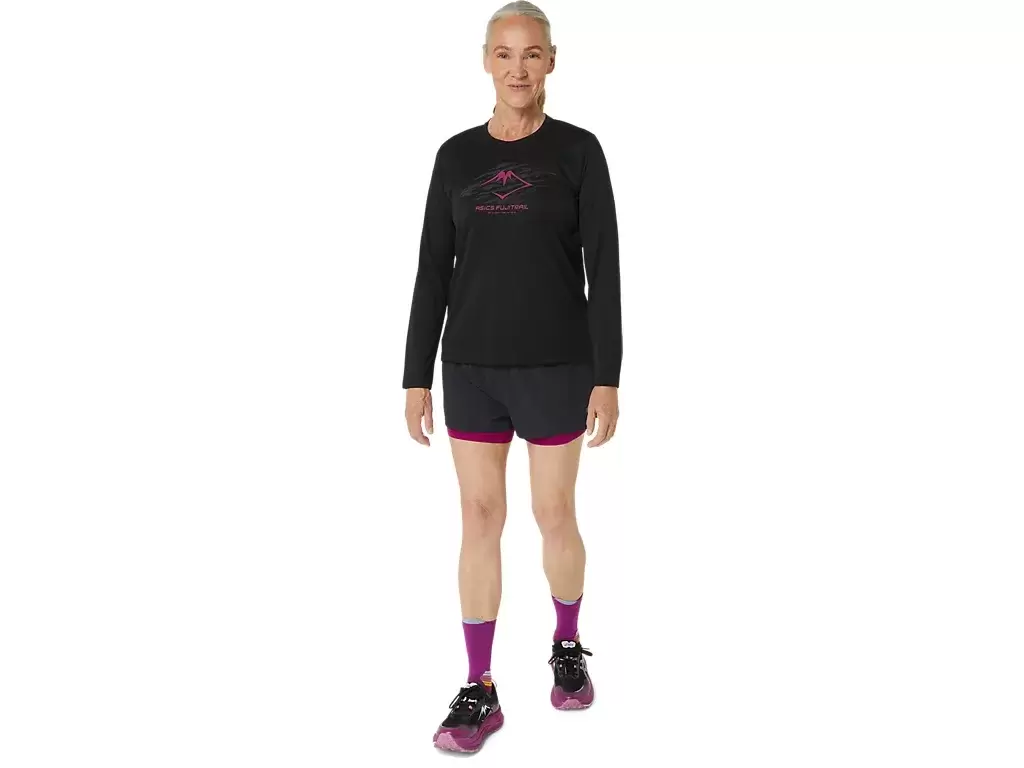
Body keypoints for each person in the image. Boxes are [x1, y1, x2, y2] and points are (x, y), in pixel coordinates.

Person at [401, 1, 622, 753]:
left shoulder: (579, 152)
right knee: (478, 517)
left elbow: (605, 269)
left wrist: (607, 374)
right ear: (485, 61)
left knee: (553, 515)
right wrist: (415, 374)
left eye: (531, 54)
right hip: (470, 367)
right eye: (504, 54)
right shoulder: (455, 157)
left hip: (559, 366)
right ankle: (480, 688)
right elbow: (432, 269)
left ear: (551, 61)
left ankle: (566, 644)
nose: (518, 69)